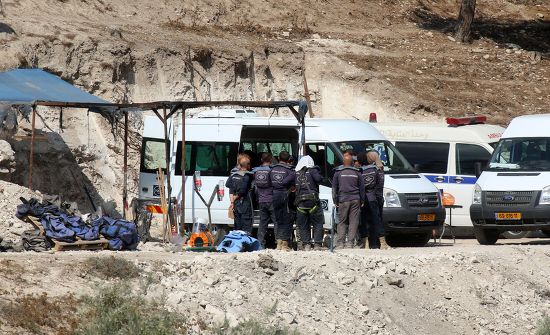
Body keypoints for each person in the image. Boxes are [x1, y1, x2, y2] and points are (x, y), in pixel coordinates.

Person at [332, 155, 365, 249]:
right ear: (352, 163)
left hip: (343, 200)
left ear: (343, 163)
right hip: (355, 200)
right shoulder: (357, 173)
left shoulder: (338, 173)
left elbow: (334, 188)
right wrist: (362, 200)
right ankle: (350, 243)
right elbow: (362, 188)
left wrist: (335, 200)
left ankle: (340, 243)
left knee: (342, 222)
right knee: (354, 221)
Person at [294, 155, 325, 251]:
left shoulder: (296, 173)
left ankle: (306, 245)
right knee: (318, 223)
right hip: (313, 202)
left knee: (303, 225)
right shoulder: (312, 171)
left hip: (300, 203)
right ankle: (317, 244)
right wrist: (316, 169)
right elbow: (319, 180)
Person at [358, 151, 385, 249]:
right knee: (377, 220)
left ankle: (365, 244)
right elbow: (379, 184)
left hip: (363, 200)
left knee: (364, 221)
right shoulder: (376, 170)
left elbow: (359, 187)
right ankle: (381, 243)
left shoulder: (359, 172)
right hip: (374, 198)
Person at [270, 151, 296, 251]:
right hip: (285, 195)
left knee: (278, 219)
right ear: (288, 159)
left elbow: (269, 182)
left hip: (274, 195)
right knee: (287, 219)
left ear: (278, 158)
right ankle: (284, 244)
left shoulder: (272, 169)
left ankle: (278, 243)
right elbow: (287, 181)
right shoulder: (290, 170)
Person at [252, 152, 277, 248]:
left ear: (261, 160)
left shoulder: (256, 171)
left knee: (262, 223)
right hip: (271, 199)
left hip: (261, 200)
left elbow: (254, 187)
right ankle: (277, 242)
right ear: (271, 160)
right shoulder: (271, 171)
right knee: (276, 222)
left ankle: (260, 244)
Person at [225, 156, 253, 233]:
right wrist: (236, 197)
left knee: (237, 225)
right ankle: (244, 243)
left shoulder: (233, 175)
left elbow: (229, 187)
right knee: (246, 226)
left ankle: (237, 242)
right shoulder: (248, 176)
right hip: (244, 203)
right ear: (248, 165)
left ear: (239, 165)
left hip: (236, 204)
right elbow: (243, 191)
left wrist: (232, 202)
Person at [369, 150, 389, 249]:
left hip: (374, 197)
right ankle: (377, 243)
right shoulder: (381, 169)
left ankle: (373, 243)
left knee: (373, 220)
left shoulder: (373, 170)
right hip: (380, 197)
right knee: (378, 220)